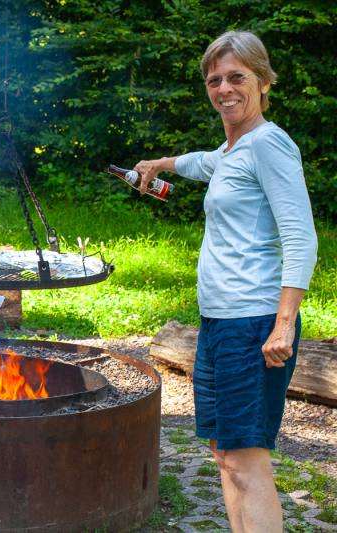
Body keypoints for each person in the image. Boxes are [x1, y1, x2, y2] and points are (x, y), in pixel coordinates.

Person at [132, 31, 318, 532]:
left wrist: (284, 325)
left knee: (246, 462)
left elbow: (301, 239)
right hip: (218, 325)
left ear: (263, 81)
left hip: (254, 325)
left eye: (237, 77)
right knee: (225, 456)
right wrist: (157, 164)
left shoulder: (269, 144)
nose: (224, 88)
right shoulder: (233, 150)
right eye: (215, 79)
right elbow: (199, 163)